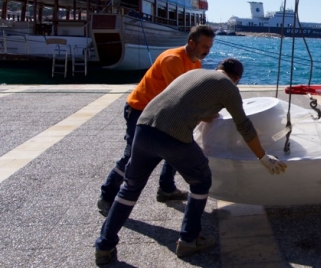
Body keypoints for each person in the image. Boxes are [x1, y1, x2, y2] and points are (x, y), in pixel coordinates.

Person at [94, 58, 288, 265]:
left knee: (130, 188)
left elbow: (181, 102)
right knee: (201, 180)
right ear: (236, 79)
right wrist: (263, 158)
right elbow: (244, 126)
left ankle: (104, 246)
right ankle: (189, 239)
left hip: (143, 127)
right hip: (172, 136)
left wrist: (206, 114)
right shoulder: (228, 87)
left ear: (218, 68)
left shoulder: (194, 74)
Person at [97, 24, 215, 216]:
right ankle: (106, 197)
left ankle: (166, 189)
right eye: (204, 46)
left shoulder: (195, 63)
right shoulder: (173, 60)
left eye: (210, 47)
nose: (207, 51)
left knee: (178, 141)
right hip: (140, 109)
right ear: (191, 43)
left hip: (161, 111)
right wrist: (203, 113)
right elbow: (179, 96)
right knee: (131, 156)